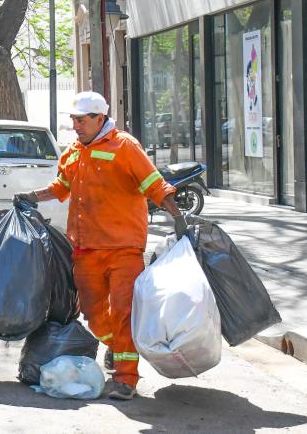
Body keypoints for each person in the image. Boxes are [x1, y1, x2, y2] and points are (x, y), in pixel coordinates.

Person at [14, 91, 185, 401]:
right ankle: (117, 348)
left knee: (123, 311)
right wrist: (32, 196)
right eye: (73, 121)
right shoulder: (73, 152)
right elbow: (61, 187)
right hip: (85, 249)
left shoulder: (125, 147)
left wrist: (178, 216)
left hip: (123, 248)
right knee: (94, 315)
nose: (76, 126)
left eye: (81, 121)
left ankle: (126, 379)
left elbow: (154, 184)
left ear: (99, 119)